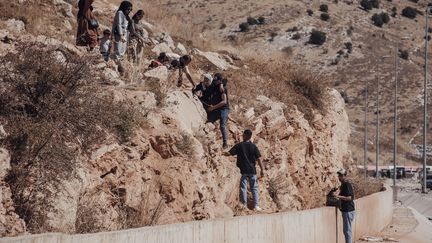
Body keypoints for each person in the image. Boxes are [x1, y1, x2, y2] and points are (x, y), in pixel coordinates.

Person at [225, 129, 264, 211]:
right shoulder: (253, 146)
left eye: (243, 134)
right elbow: (259, 159)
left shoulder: (239, 145)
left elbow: (229, 153)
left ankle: (244, 205)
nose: (242, 136)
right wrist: (262, 170)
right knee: (254, 188)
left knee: (243, 188)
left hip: (242, 170)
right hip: (252, 170)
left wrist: (221, 153)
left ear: (245, 135)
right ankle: (256, 206)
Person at [193, 73, 229, 148]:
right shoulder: (214, 84)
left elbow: (224, 102)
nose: (215, 82)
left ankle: (225, 143)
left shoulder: (223, 88)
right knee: (208, 121)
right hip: (215, 109)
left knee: (222, 125)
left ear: (220, 81)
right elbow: (203, 85)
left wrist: (213, 107)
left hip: (223, 109)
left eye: (217, 81)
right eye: (214, 81)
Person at [333, 169, 356, 243]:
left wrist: (338, 196)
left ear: (345, 176)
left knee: (347, 231)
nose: (339, 177)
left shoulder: (346, 184)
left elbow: (349, 197)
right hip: (347, 211)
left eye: (341, 175)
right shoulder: (343, 185)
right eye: (339, 175)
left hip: (348, 211)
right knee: (346, 230)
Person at [112, 1, 133, 73]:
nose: (129, 11)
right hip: (119, 34)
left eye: (131, 9)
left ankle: (120, 67)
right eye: (128, 9)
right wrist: (121, 35)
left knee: (122, 50)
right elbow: (119, 24)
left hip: (125, 34)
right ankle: (116, 67)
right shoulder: (120, 13)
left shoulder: (126, 15)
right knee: (118, 50)